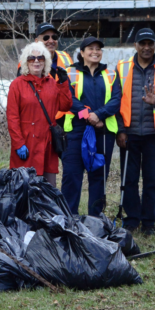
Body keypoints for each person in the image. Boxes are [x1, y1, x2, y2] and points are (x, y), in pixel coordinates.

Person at [114, 29, 155, 232]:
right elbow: (115, 100)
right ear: (135, 45)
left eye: (150, 43)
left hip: (153, 134)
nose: (147, 47)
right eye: (142, 43)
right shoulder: (122, 68)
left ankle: (148, 223)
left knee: (151, 180)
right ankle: (132, 221)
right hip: (129, 134)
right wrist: (120, 130)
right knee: (129, 179)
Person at [61, 37, 122, 216]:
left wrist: (99, 115)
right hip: (76, 131)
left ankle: (96, 221)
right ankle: (69, 221)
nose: (95, 51)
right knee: (72, 176)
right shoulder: (69, 72)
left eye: (98, 49)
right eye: (90, 48)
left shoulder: (111, 74)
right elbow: (68, 100)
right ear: (82, 53)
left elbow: (116, 100)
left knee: (98, 178)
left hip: (103, 132)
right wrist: (89, 116)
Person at [7, 41, 73, 187]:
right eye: (32, 58)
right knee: (25, 189)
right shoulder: (17, 84)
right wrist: (18, 143)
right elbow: (12, 117)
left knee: (48, 189)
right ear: (26, 62)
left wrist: (63, 84)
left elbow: (65, 105)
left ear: (46, 61)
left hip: (47, 145)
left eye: (40, 58)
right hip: (27, 145)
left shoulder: (51, 83)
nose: (36, 61)